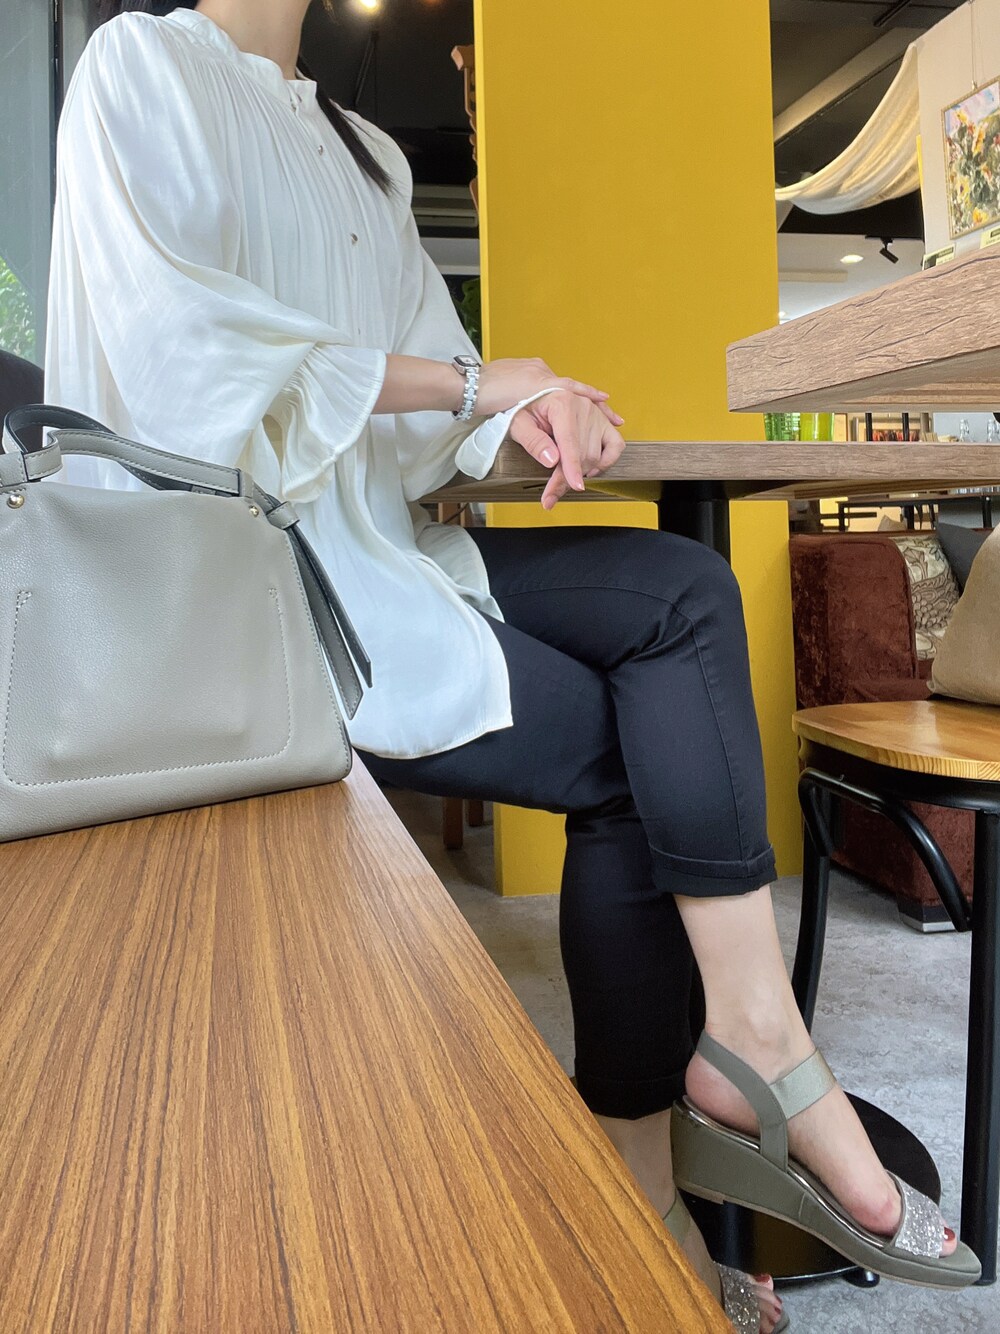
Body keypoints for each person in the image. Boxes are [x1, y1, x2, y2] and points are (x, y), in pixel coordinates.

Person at [46, 2, 979, 1327]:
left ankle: (752, 1042)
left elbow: (428, 417)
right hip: (246, 596)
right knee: (631, 756)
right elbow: (174, 354)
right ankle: (656, 1172)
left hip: (387, 556)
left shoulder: (367, 151)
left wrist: (524, 411)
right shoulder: (139, 68)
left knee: (685, 594)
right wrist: (476, 386)